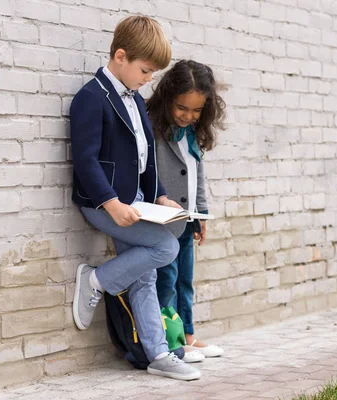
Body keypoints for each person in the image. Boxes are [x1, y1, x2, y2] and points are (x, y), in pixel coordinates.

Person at [69, 16, 201, 381]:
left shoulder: (136, 100)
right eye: (145, 70)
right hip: (102, 204)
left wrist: (159, 195)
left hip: (137, 199)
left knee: (145, 274)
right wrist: (110, 202)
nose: (148, 79)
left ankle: (157, 354)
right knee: (166, 248)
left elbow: (146, 157)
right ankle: (97, 281)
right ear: (121, 57)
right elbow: (85, 160)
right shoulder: (91, 98)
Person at [147, 60, 226, 358]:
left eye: (196, 111)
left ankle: (188, 335)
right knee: (165, 282)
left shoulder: (192, 132)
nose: (188, 116)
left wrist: (201, 213)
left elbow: (196, 173)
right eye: (182, 108)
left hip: (187, 218)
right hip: (163, 221)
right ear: (168, 97)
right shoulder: (154, 128)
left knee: (184, 281)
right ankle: (171, 342)